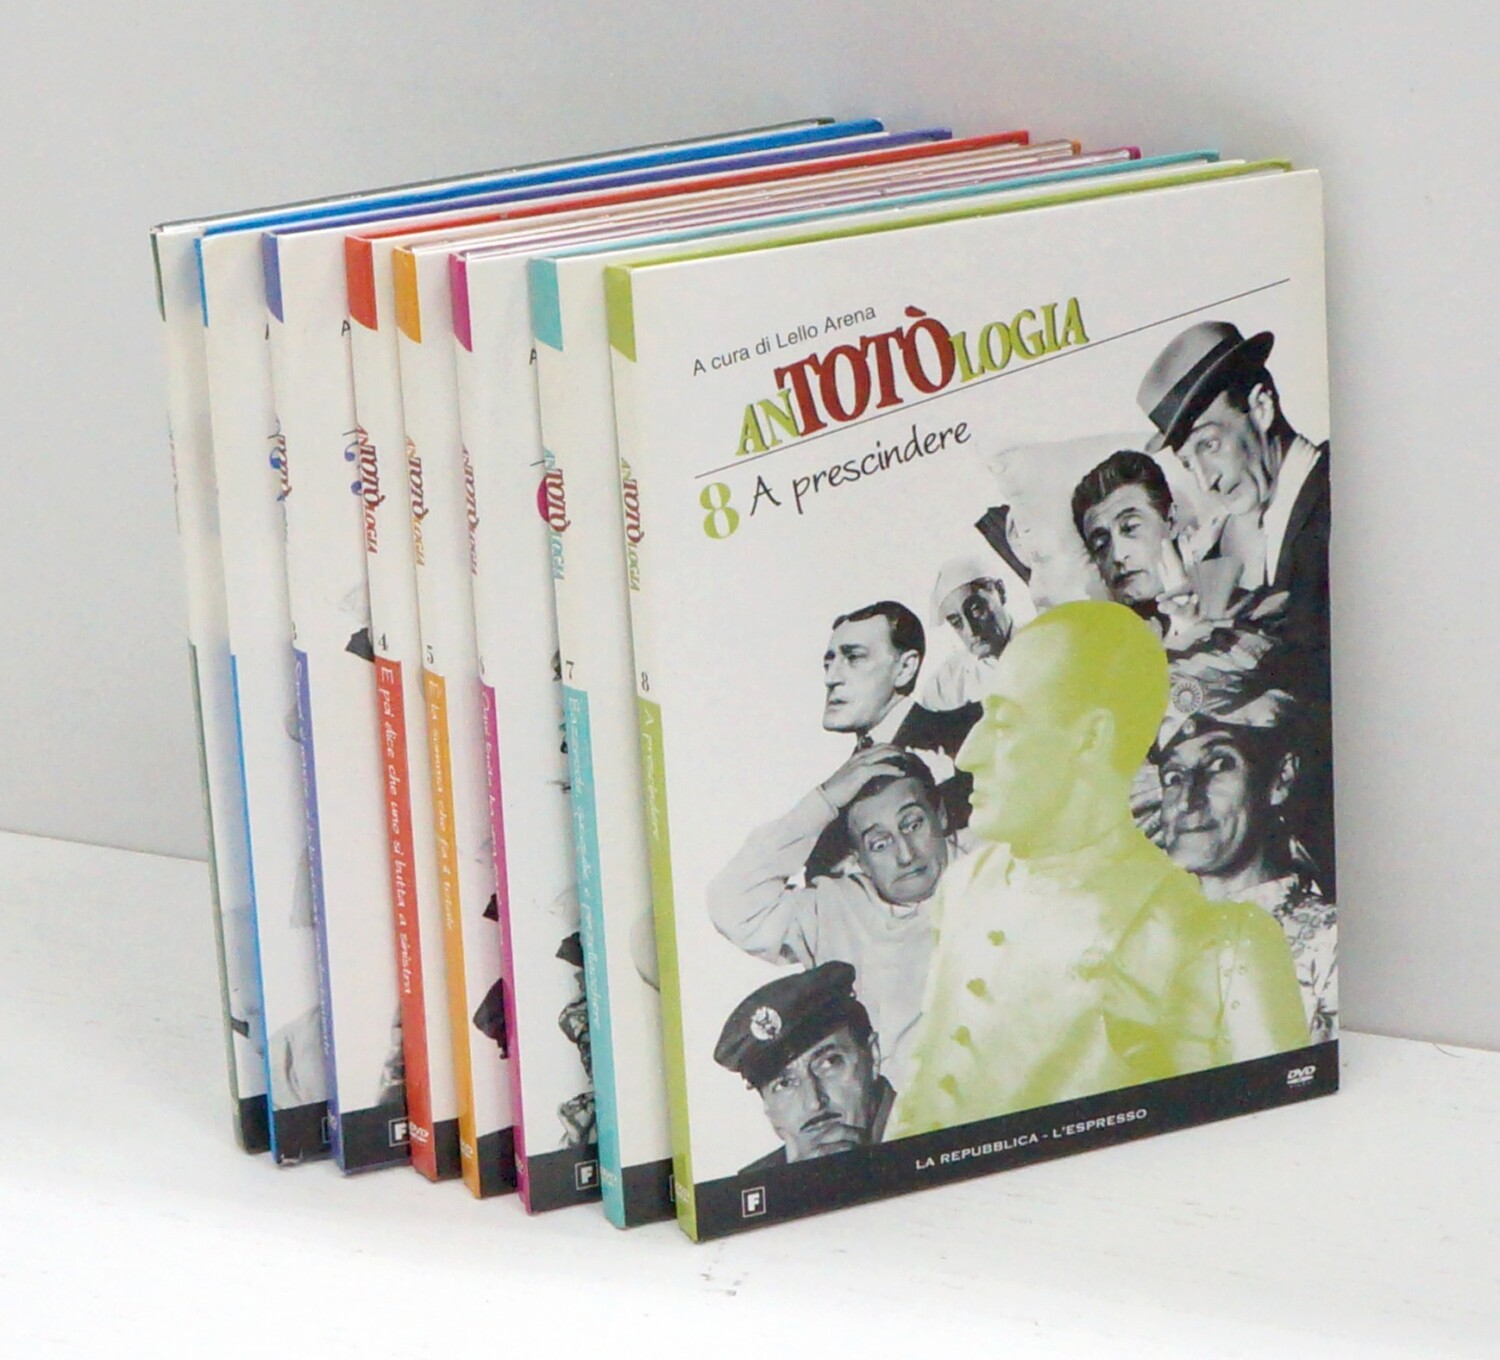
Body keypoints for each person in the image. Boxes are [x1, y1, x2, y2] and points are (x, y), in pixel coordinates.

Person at [890, 601, 1309, 1138]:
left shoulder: (1209, 937)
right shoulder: (963, 887)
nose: (968, 754)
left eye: (1005, 724)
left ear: (1090, 738)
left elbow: (1274, 1140)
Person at [707, 748, 956, 1090]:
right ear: (859, 859)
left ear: (940, 815)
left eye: (913, 825)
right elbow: (731, 905)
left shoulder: (1000, 865)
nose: (906, 854)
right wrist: (823, 801)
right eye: (880, 843)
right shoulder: (831, 907)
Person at [1157, 684, 1337, 1042]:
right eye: (1174, 777)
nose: (1187, 801)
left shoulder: (1328, 943)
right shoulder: (1141, 942)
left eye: (1219, 765)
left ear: (1280, 779)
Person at [1136, 321, 1330, 631]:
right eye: (1188, 464)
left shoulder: (1337, 495)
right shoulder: (1271, 524)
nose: (1206, 482)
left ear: (1261, 407)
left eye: (1209, 445)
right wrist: (1199, 622)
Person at [714, 961, 894, 1173]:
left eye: (829, 1063)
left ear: (873, 1056)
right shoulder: (765, 1181)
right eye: (784, 1083)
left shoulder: (923, 1132)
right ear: (769, 1109)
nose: (814, 1103)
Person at [920, 555, 1014, 711]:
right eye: (957, 622)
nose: (971, 630)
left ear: (1000, 591)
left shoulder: (1046, 639)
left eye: (976, 610)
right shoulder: (947, 684)